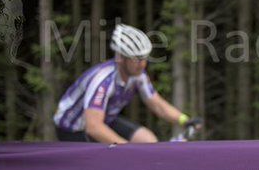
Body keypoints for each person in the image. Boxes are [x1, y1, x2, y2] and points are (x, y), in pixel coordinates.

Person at [53, 23, 199, 143]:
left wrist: (185, 120)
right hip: (74, 128)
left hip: (105, 119)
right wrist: (127, 149)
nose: (142, 64)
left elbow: (157, 104)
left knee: (149, 141)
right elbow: (94, 127)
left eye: (144, 58)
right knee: (118, 158)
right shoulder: (103, 81)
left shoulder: (138, 75)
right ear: (120, 58)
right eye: (136, 59)